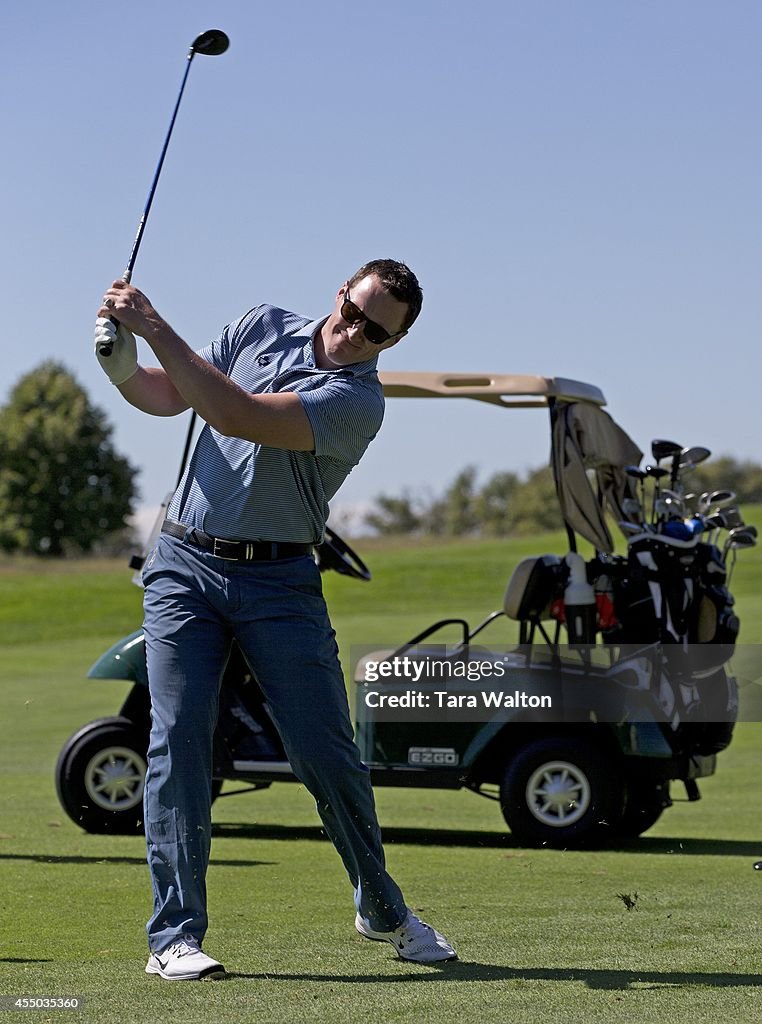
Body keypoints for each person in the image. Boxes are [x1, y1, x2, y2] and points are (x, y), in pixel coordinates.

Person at [93, 259, 457, 981]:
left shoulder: (358, 401)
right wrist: (120, 363)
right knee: (180, 738)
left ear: (394, 342)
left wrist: (152, 322)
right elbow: (172, 398)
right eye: (353, 312)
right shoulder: (258, 326)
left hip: (281, 579)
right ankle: (174, 936)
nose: (354, 333)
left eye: (375, 332)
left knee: (326, 753)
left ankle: (380, 907)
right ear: (340, 294)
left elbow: (236, 415)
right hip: (184, 566)